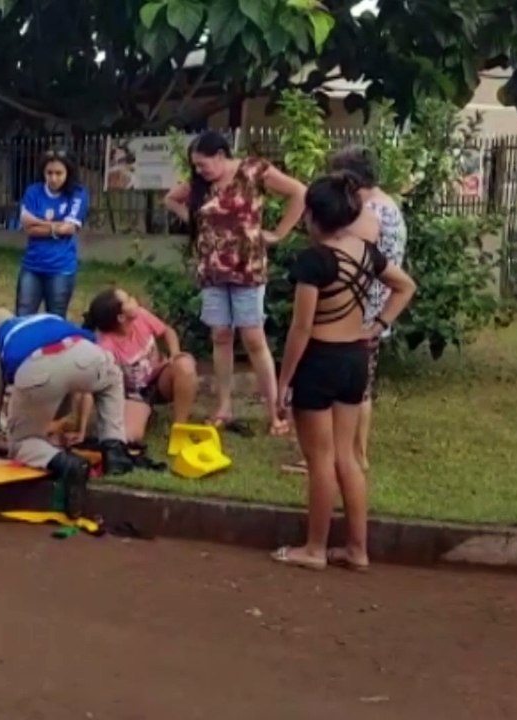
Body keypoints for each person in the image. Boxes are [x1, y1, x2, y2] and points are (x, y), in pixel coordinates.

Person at [270, 172, 417, 572]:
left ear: (314, 216)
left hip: (319, 359)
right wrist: (379, 323)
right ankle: (357, 549)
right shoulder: (367, 252)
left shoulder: (313, 260)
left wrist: (283, 383)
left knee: (320, 460)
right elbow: (405, 286)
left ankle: (314, 549)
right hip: (355, 358)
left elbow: (301, 329)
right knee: (347, 457)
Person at [163, 131, 306, 436]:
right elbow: (171, 199)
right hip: (212, 271)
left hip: (247, 269)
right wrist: (196, 221)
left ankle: (274, 412)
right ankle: (224, 407)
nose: (199, 171)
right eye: (196, 166)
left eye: (203, 164)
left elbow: (299, 193)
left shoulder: (254, 170)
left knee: (253, 338)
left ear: (220, 155)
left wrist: (279, 233)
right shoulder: (201, 185)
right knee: (221, 336)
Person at [283, 145, 409, 475]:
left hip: (356, 308)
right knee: (359, 386)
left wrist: (378, 322)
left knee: (357, 391)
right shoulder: (384, 204)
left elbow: (350, 252)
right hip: (365, 305)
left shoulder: (371, 213)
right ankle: (350, 456)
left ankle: (350, 454)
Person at [0, 314, 136, 519]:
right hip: (85, 354)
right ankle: (115, 449)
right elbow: (67, 377)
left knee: (21, 444)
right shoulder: (48, 318)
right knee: (111, 380)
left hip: (38, 368)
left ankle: (67, 464)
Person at [83, 288, 199, 443]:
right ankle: (144, 413)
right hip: (132, 394)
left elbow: (167, 331)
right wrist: (82, 428)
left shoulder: (141, 316)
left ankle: (180, 429)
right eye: (128, 299)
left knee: (185, 365)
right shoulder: (106, 346)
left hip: (159, 379)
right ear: (121, 317)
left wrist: (174, 353)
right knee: (130, 437)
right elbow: (92, 386)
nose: (134, 298)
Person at [17, 149, 91, 318]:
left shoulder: (78, 193)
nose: (53, 178)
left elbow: (69, 229)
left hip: (61, 268)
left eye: (59, 173)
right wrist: (56, 226)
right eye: (49, 173)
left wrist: (38, 222)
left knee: (56, 318)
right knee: (23, 316)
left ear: (68, 173)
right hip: (32, 266)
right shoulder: (33, 192)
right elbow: (28, 228)